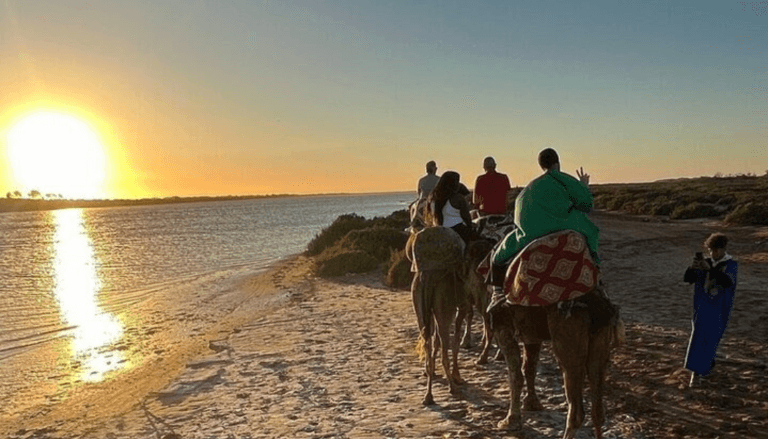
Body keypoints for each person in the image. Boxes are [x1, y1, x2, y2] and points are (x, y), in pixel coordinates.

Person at [487, 148, 599, 309]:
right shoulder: (565, 180)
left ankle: (497, 294)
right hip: (565, 230)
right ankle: (597, 283)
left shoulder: (526, 191)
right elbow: (587, 205)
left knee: (497, 258)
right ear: (557, 163)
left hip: (530, 236)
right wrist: (584, 186)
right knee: (590, 247)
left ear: (541, 165)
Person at [683, 233, 737, 388]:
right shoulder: (705, 262)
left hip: (719, 308)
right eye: (711, 250)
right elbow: (688, 279)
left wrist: (710, 270)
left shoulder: (731, 264)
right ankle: (697, 372)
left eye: (716, 250)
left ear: (723, 249)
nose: (713, 254)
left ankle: (706, 366)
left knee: (712, 337)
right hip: (701, 306)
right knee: (698, 337)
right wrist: (692, 268)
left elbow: (727, 282)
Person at [427, 171, 475, 245]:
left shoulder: (432, 198)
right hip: (457, 229)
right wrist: (471, 227)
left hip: (439, 229)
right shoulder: (458, 198)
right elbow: (466, 218)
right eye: (457, 181)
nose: (459, 184)